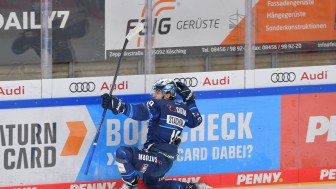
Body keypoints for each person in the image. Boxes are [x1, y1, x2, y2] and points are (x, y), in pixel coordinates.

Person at [101, 79, 212, 189]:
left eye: (158, 92)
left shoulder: (159, 104)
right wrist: (190, 100)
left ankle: (131, 186)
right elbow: (196, 121)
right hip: (165, 162)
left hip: (157, 158)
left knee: (123, 153)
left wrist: (118, 105)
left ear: (168, 94)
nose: (154, 94)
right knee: (154, 185)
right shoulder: (183, 108)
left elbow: (140, 112)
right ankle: (195, 188)